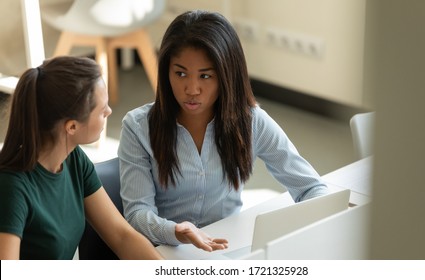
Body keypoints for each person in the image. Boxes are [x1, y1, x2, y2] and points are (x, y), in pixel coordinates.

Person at [118, 10, 328, 251]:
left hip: (227, 250)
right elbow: (137, 212)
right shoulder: (137, 127)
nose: (192, 88)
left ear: (227, 76)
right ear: (167, 72)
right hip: (165, 252)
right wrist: (177, 231)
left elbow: (312, 187)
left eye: (205, 76)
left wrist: (317, 225)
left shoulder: (251, 121)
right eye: (180, 73)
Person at [0, 56, 163, 260]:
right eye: (102, 110)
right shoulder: (11, 187)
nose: (109, 111)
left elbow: (122, 236)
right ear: (72, 127)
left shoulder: (73, 159)